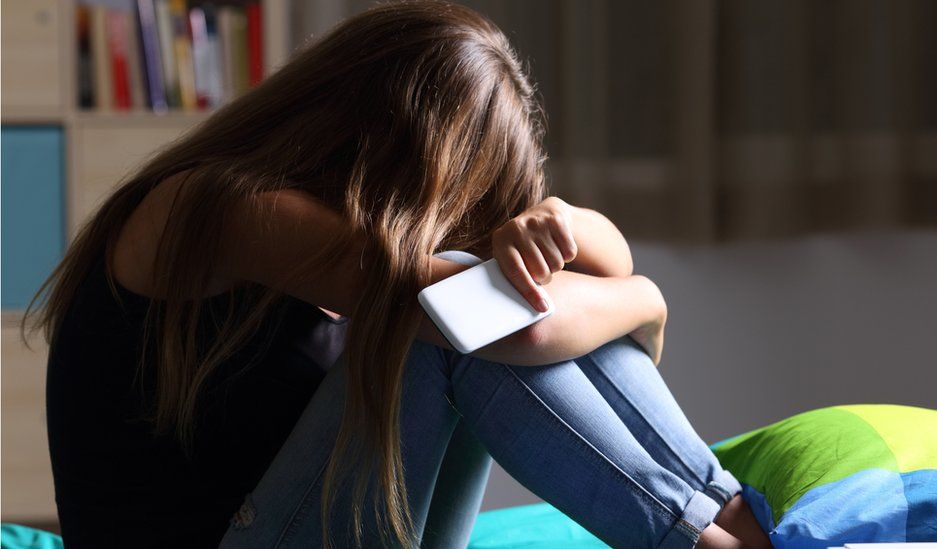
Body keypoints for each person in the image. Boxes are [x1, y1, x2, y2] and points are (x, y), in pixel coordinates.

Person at [24, 2, 772, 548]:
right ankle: (709, 534)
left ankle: (726, 514)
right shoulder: (224, 207)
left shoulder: (353, 226)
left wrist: (560, 222)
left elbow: (598, 264)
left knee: (479, 308)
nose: (453, 224)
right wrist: (645, 300)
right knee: (455, 328)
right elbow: (510, 322)